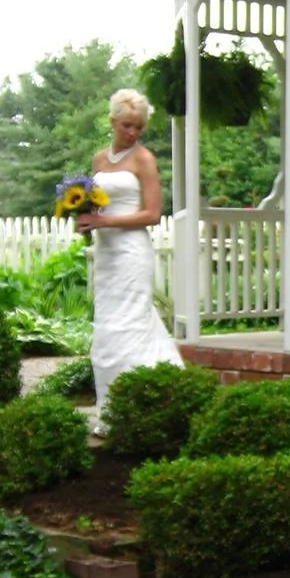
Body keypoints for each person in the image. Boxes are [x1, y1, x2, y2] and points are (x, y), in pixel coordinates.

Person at [77, 88, 181, 424]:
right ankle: (111, 410)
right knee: (108, 325)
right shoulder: (98, 160)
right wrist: (84, 221)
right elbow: (93, 205)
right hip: (106, 254)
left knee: (132, 322)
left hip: (133, 252)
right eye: (126, 125)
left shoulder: (144, 159)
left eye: (138, 127)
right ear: (112, 121)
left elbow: (152, 214)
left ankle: (146, 408)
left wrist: (104, 220)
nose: (132, 132)